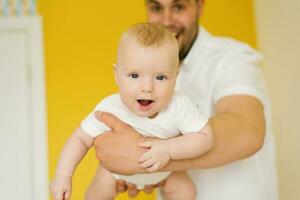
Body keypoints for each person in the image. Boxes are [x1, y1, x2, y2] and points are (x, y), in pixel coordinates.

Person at [89, 0, 278, 199]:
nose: (166, 20)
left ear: (200, 6)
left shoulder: (231, 57)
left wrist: (140, 156)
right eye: (156, 8)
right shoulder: (146, 75)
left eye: (178, 7)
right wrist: (137, 174)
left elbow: (247, 131)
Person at [51, 23, 214, 200]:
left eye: (160, 77)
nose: (147, 88)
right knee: (96, 194)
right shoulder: (109, 109)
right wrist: (63, 176)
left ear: (175, 77)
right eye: (134, 76)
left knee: (186, 190)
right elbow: (80, 139)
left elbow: (206, 137)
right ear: (116, 74)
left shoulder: (179, 104)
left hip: (165, 171)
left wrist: (168, 150)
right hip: (116, 174)